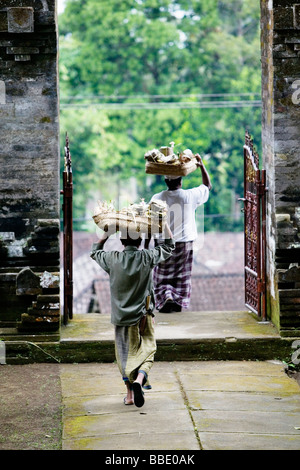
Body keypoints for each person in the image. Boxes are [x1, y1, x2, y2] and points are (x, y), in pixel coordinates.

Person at [90, 223, 175, 408]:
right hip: (143, 315)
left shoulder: (112, 259)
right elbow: (169, 247)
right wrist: (164, 224)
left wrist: (106, 234)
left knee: (124, 356)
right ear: (140, 240)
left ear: (121, 240)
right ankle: (140, 380)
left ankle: (129, 395)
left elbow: (95, 252)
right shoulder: (146, 257)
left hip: (121, 318)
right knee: (148, 350)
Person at [148, 153, 212, 313]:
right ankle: (176, 300)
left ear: (165, 181)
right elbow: (207, 186)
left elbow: (150, 224)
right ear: (181, 180)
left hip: (162, 244)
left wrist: (147, 246)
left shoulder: (156, 198)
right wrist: (201, 165)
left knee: (161, 275)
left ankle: (165, 297)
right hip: (185, 245)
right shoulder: (189, 196)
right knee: (182, 276)